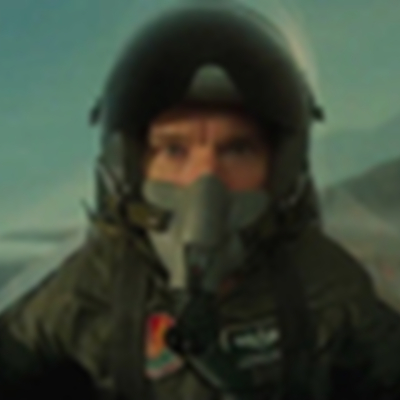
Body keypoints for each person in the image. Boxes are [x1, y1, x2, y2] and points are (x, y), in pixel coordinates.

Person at [1, 2, 400, 400]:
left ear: (279, 169)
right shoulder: (92, 286)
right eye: (174, 150)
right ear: (132, 169)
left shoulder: (322, 284)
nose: (204, 181)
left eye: (237, 149)